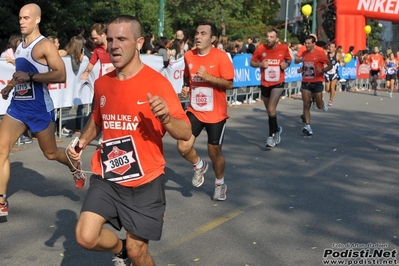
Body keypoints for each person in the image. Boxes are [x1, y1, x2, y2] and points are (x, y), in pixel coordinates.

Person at [67, 15, 191, 265]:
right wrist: (81, 142)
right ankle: (119, 247)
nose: (114, 45)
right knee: (85, 237)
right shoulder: (102, 84)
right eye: (110, 39)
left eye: (122, 39)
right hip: (108, 176)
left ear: (139, 42)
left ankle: (129, 251)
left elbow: (185, 132)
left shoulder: (157, 83)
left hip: (145, 181)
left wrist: (166, 117)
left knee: (139, 254)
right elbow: (97, 119)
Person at [0, 3, 86, 216]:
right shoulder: (20, 46)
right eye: (20, 17)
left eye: (26, 18)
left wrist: (30, 77)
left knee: (50, 153)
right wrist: (10, 87)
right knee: (1, 149)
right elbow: (19, 73)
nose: (21, 21)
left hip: (39, 109)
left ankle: (74, 165)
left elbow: (60, 74)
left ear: (37, 19)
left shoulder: (45, 45)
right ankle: (1, 200)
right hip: (18, 108)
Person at [177, 21, 234, 201]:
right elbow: (187, 77)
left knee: (214, 153)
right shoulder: (188, 55)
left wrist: (208, 77)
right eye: (196, 33)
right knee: (183, 146)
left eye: (203, 34)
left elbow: (229, 84)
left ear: (213, 38)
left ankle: (219, 183)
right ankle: (199, 165)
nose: (198, 37)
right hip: (195, 110)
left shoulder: (221, 57)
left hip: (216, 114)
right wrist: (186, 87)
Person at [250, 28, 291, 148]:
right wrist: (260, 64)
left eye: (271, 37)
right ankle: (277, 129)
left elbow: (289, 60)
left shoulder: (283, 48)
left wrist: (286, 65)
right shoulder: (261, 48)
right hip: (265, 83)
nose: (268, 39)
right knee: (269, 111)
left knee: (272, 108)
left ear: (277, 39)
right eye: (267, 36)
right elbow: (252, 62)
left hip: (278, 82)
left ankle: (271, 136)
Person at [295, 35, 331, 136]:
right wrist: (301, 70)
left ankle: (321, 103)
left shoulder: (320, 53)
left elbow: (330, 64)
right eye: (305, 43)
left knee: (319, 106)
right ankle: (308, 126)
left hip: (317, 81)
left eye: (309, 43)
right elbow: (303, 64)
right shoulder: (304, 53)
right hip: (306, 81)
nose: (306, 45)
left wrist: (323, 70)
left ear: (314, 43)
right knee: (306, 104)